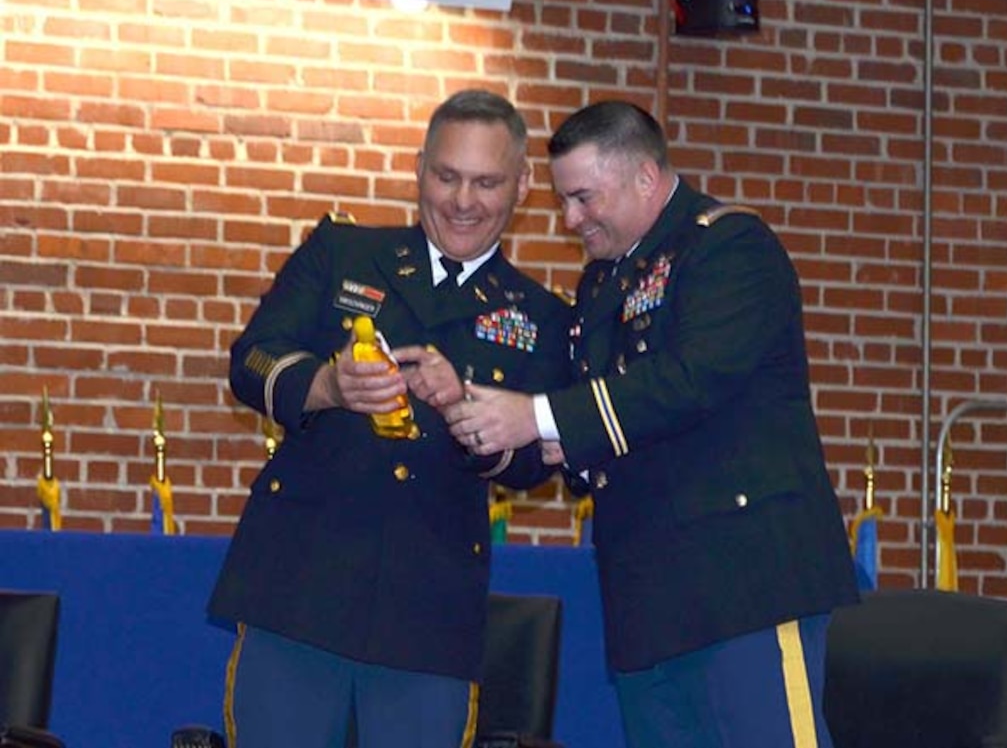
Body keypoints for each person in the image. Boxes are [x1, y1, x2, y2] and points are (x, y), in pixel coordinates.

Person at [444, 100, 860, 748]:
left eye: (583, 198)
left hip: (743, 586)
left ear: (644, 176)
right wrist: (501, 432)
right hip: (648, 597)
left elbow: (690, 379)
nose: (569, 218)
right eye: (562, 201)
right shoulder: (602, 285)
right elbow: (597, 424)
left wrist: (537, 416)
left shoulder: (728, 245)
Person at [207, 89, 571, 748]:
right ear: (418, 168)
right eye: (446, 175)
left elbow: (531, 467)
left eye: (486, 181)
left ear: (521, 185)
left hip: (427, 616)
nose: (463, 200)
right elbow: (250, 360)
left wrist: (462, 406)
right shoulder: (342, 252)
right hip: (298, 590)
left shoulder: (542, 317)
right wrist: (326, 383)